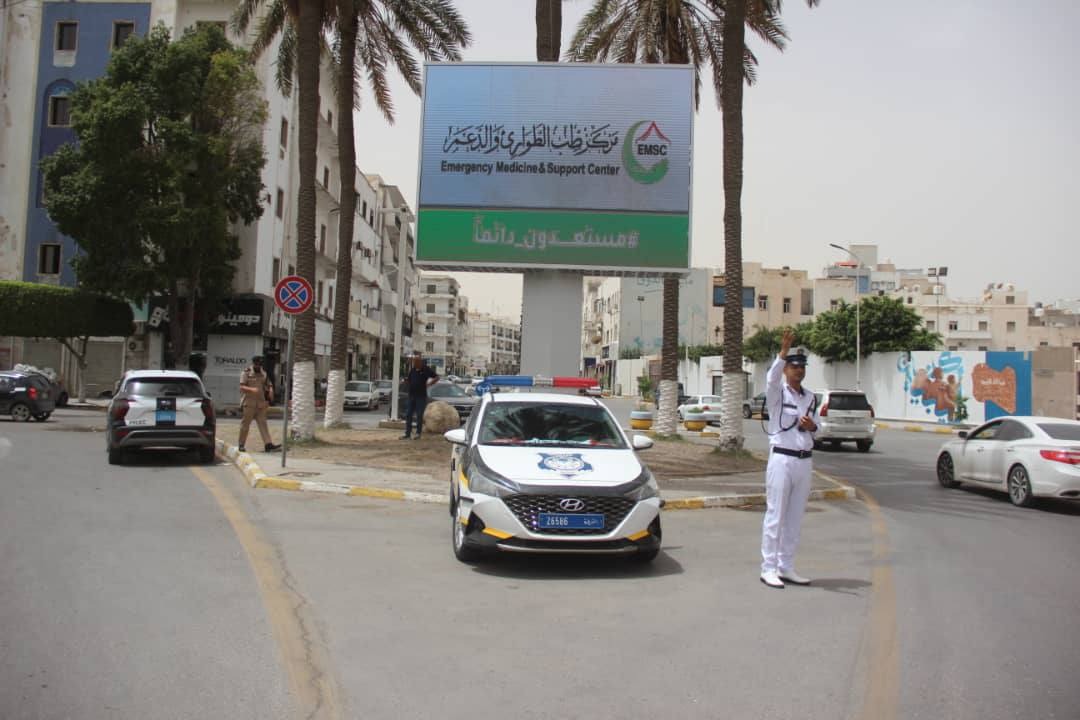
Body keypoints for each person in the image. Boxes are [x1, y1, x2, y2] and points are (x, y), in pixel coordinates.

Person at [760, 329, 819, 589]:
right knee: (776, 515)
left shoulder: (811, 398)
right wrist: (782, 353)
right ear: (786, 369)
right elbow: (771, 379)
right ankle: (768, 568)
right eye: (794, 367)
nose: (799, 371)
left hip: (804, 461)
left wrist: (812, 426)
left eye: (802, 367)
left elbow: (819, 428)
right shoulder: (777, 393)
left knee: (795, 517)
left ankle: (786, 566)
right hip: (782, 459)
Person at [239, 355, 281, 453]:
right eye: (257, 364)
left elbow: (268, 384)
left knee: (263, 424)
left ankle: (268, 444)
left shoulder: (263, 373)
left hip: (261, 404)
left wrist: (270, 390)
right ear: (253, 363)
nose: (258, 366)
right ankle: (241, 444)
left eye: (260, 364)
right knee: (245, 425)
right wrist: (252, 389)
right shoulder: (246, 373)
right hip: (249, 403)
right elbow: (241, 387)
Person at [400, 352, 438, 439]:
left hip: (421, 396)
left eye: (416, 362)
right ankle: (407, 433)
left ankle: (418, 433)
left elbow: (436, 377)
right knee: (408, 414)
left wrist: (430, 384)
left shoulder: (426, 369)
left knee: (419, 415)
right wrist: (405, 381)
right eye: (414, 362)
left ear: (420, 362)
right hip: (411, 395)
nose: (414, 363)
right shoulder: (413, 370)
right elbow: (409, 380)